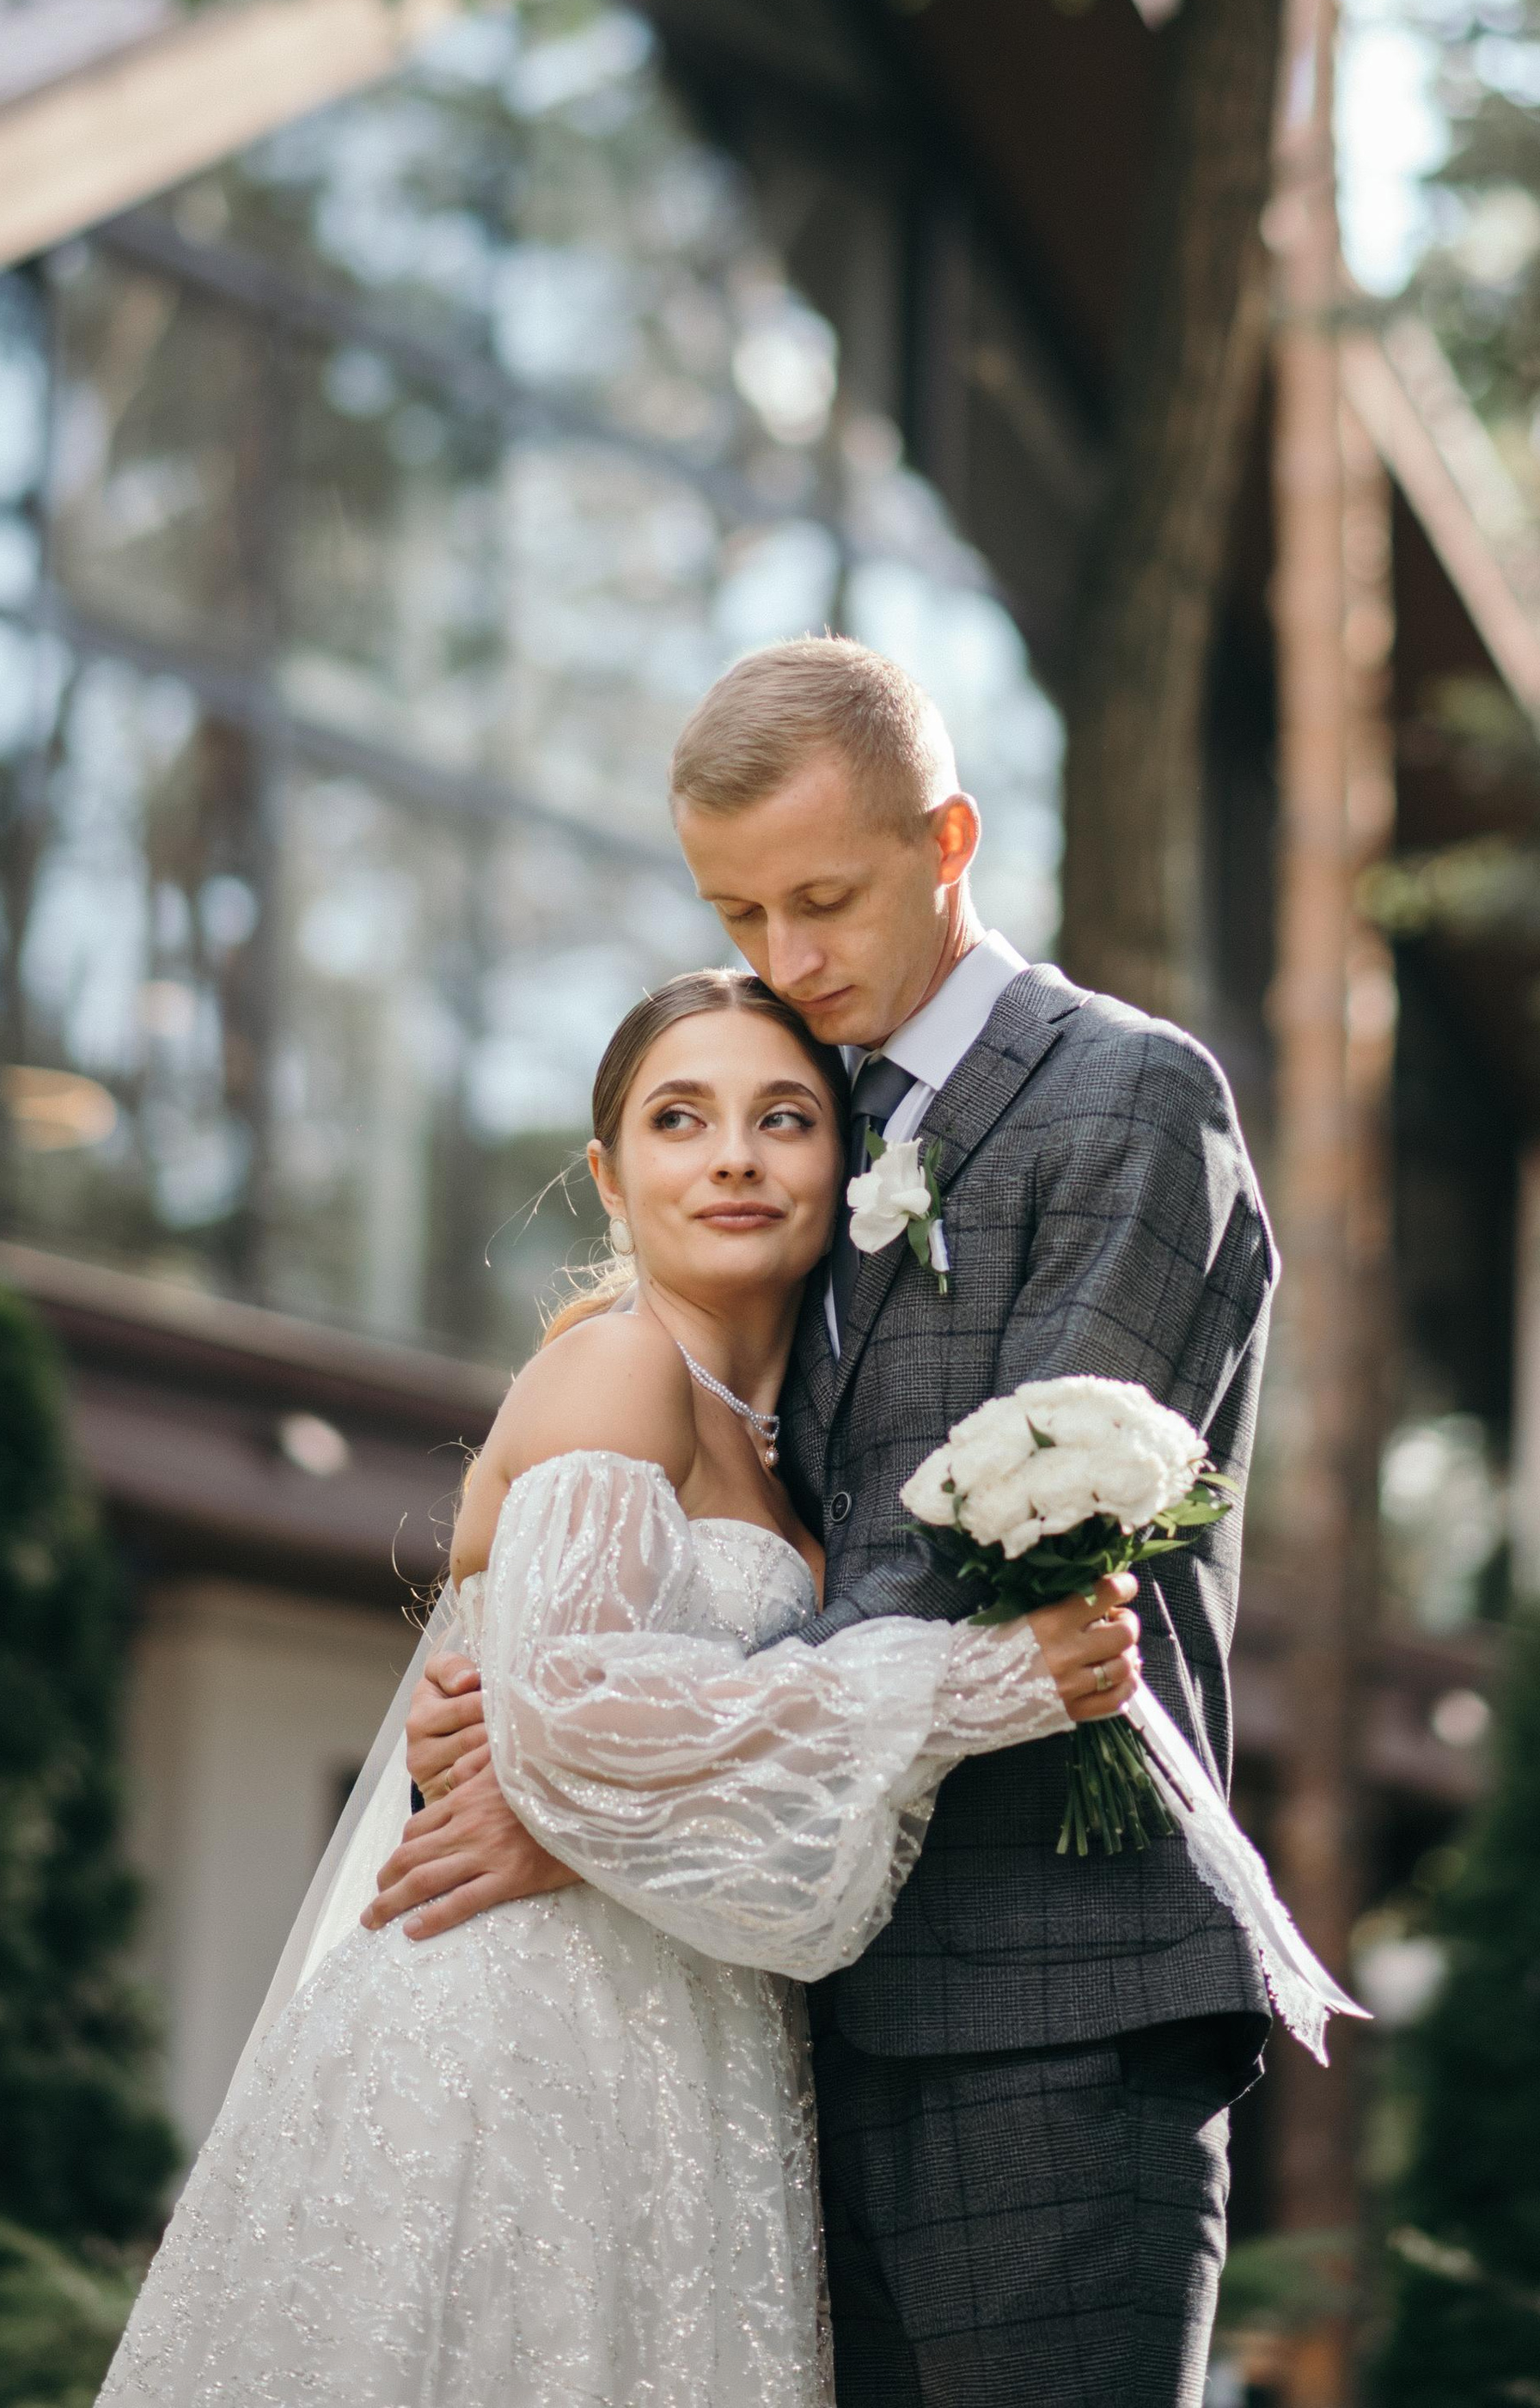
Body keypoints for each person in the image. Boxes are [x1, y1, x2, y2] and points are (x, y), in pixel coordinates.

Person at [387, 639, 1352, 2408]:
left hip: (1052, 2008)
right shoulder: (802, 1129)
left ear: (948, 841)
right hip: (781, 2015)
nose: (785, 962)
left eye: (822, 900)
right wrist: (525, 1687)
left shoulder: (1128, 1101)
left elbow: (994, 1543)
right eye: (737, 915)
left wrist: (606, 1774)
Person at [98, 967, 1134, 2408]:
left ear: (844, 1161)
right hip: (521, 2034)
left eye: (783, 1117)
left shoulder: (789, 1467)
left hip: (695, 2045)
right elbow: (573, 1714)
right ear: (609, 1170)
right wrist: (985, 1680)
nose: (732, 1155)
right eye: (679, 1118)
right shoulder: (620, 1367)